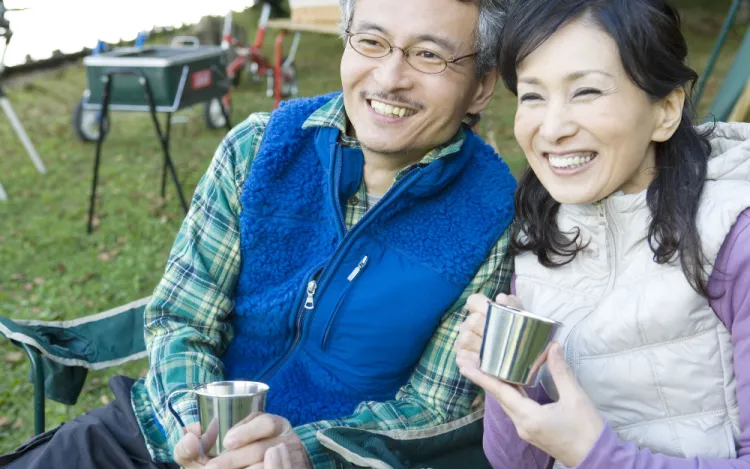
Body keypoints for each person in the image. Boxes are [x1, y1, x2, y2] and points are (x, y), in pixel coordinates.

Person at [0, 0, 517, 468]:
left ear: (482, 85)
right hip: (162, 432)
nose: (389, 77)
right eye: (372, 41)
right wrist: (201, 434)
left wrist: (298, 451)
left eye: (429, 55)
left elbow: (430, 405)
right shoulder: (258, 148)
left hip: (331, 458)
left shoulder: (493, 215)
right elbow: (183, 319)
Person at [454, 0, 750, 468]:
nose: (552, 128)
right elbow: (516, 462)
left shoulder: (735, 237)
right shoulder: (542, 234)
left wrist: (596, 456)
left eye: (587, 91)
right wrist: (512, 376)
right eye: (532, 95)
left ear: (666, 110)